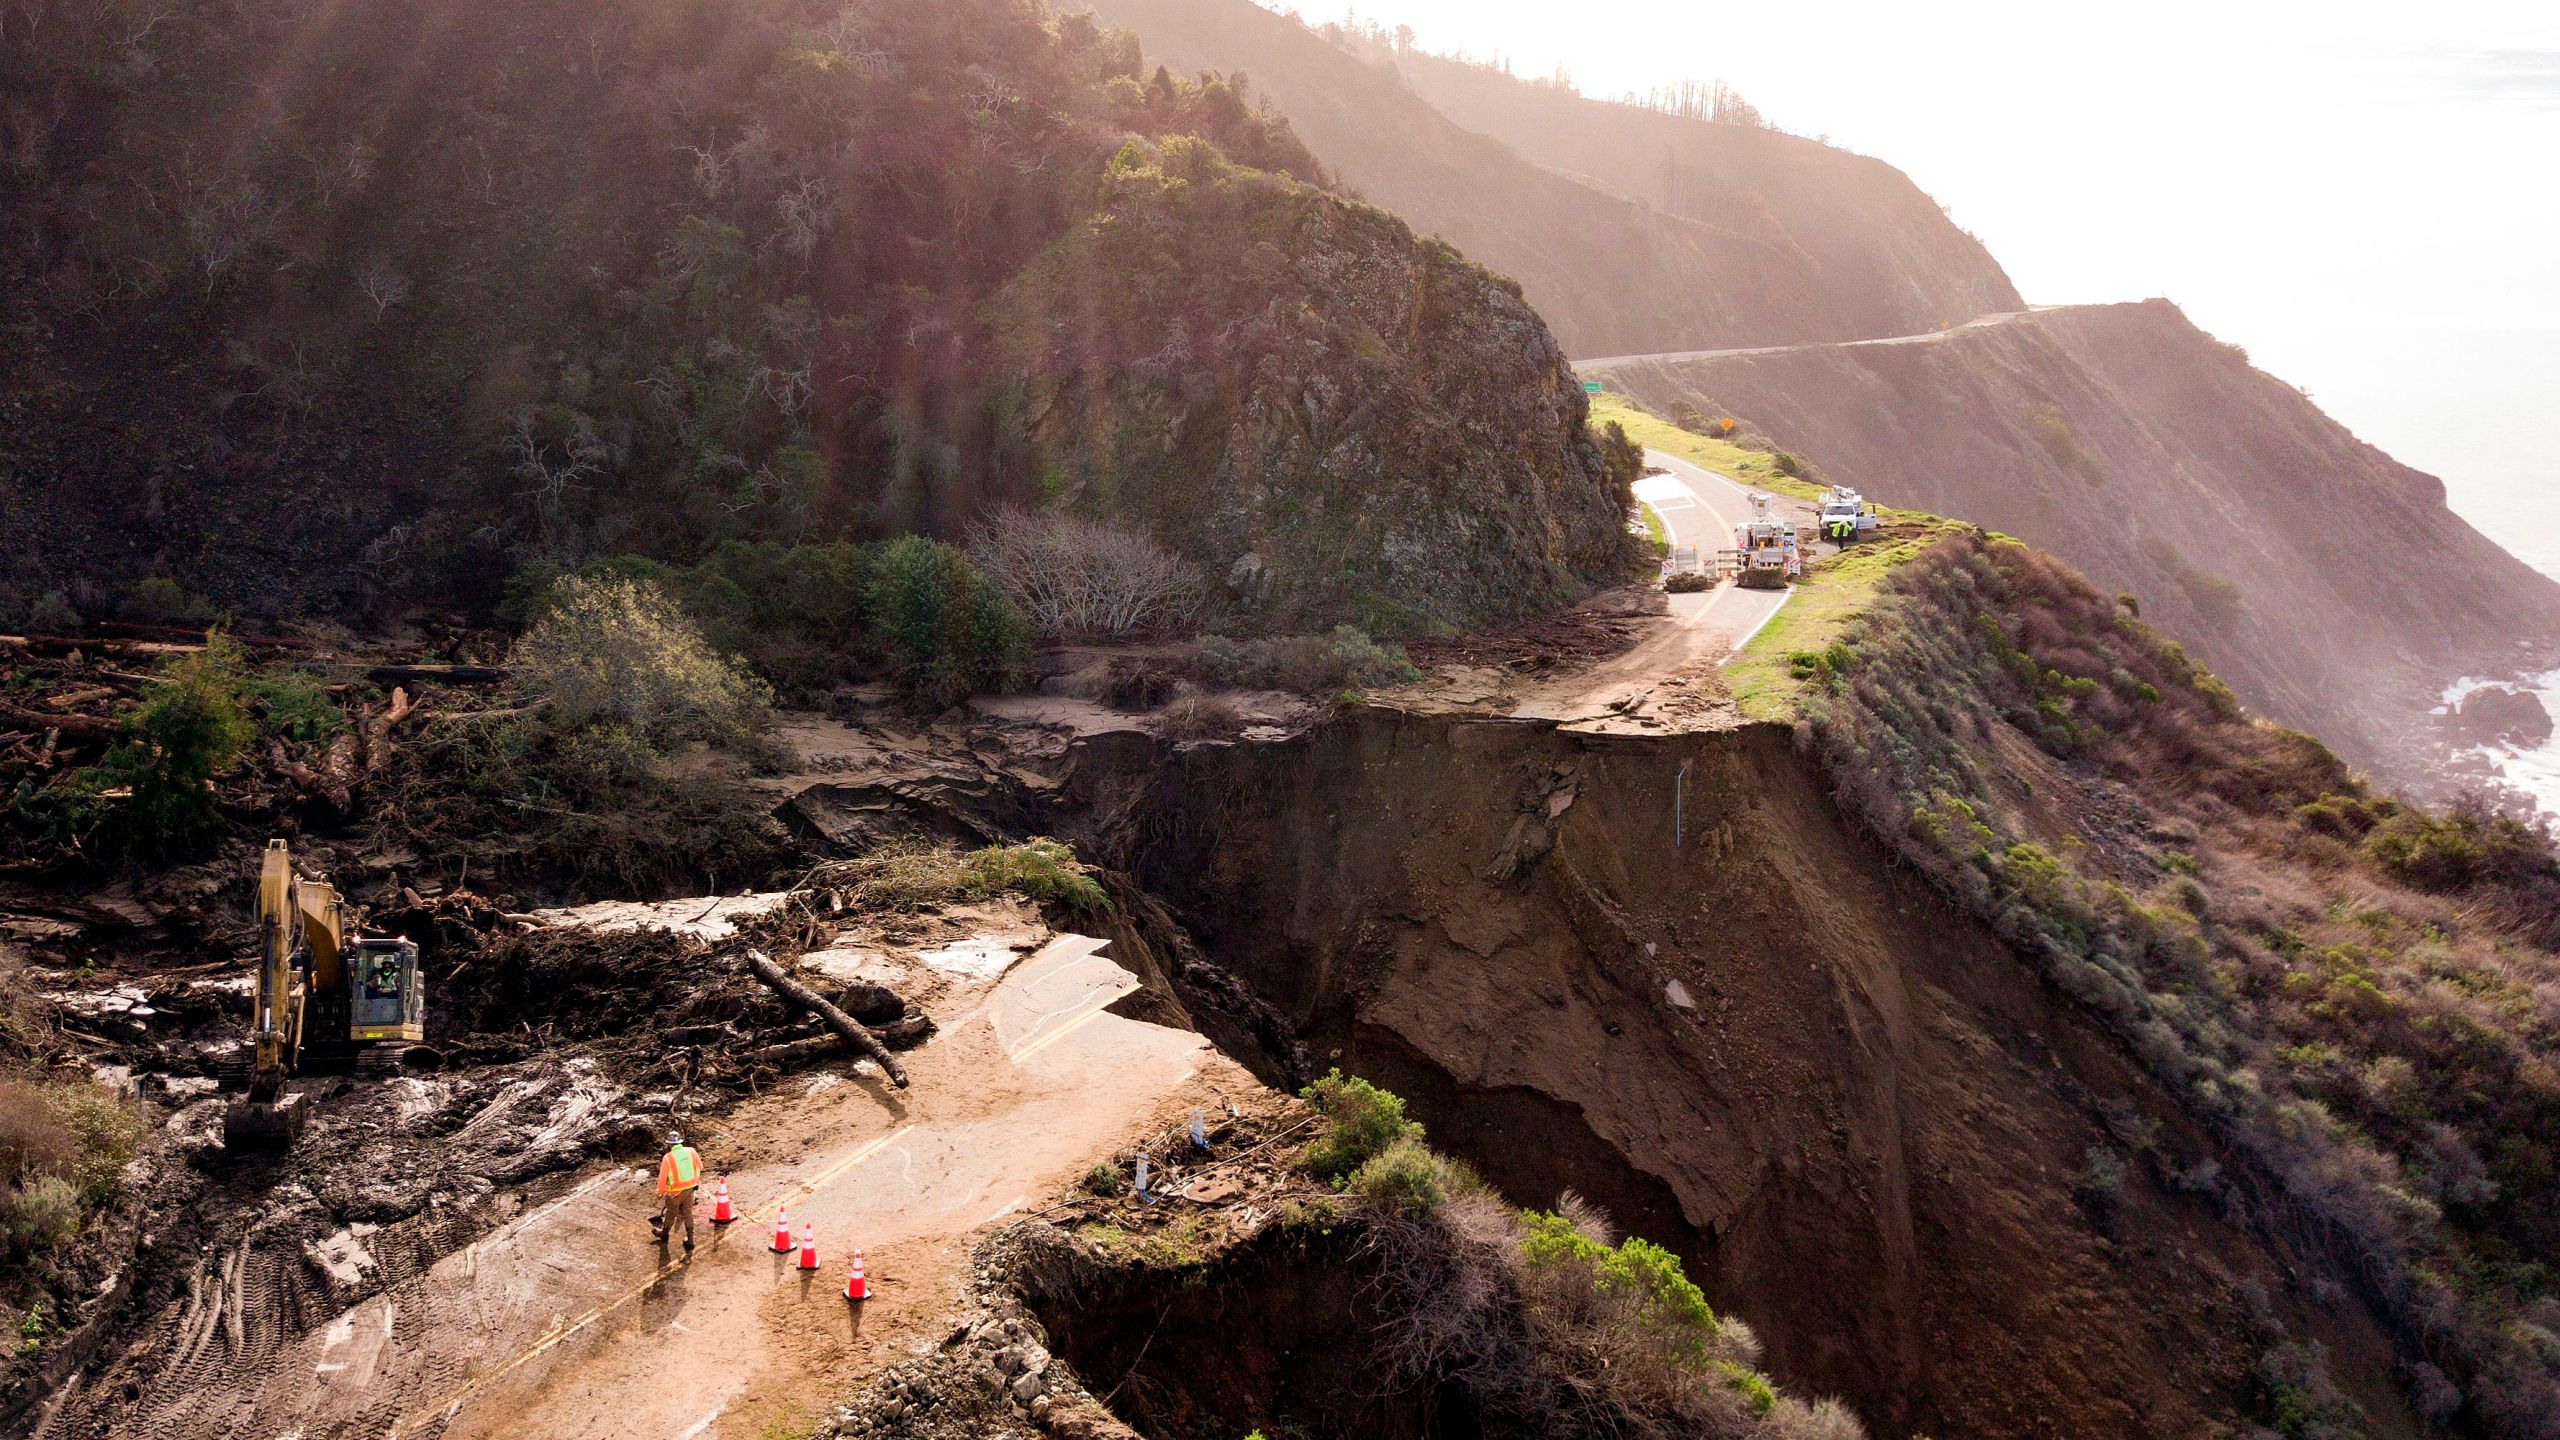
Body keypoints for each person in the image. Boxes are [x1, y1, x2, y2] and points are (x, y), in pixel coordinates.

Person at [653, 1131, 702, 1252]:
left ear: (669, 1144)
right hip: (690, 1189)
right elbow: (700, 1167)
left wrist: (660, 1192)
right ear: (680, 1141)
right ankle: (690, 1240)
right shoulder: (691, 1151)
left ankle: (664, 1234)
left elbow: (662, 1178)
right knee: (687, 1213)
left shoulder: (668, 1158)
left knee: (671, 1213)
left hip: (675, 1192)